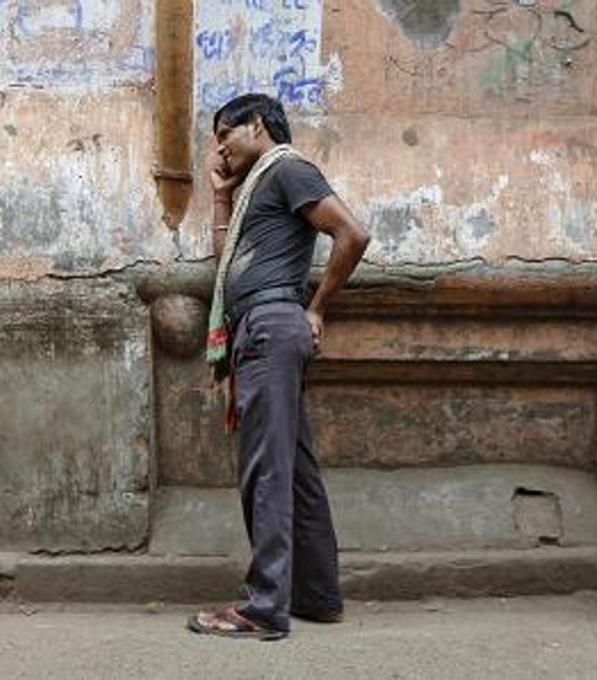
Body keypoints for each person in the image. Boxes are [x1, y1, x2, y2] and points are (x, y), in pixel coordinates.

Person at [187, 93, 369, 640]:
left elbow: (352, 235)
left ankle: (264, 607)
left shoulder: (287, 168)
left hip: (271, 327)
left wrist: (317, 307)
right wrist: (221, 198)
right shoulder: (256, 190)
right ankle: (318, 596)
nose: (219, 147)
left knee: (265, 470)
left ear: (258, 125)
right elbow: (226, 265)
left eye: (225, 133)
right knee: (295, 471)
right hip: (259, 331)